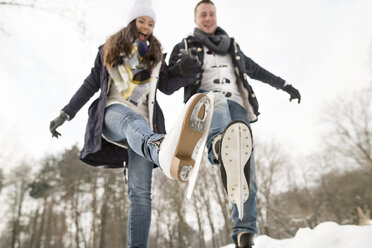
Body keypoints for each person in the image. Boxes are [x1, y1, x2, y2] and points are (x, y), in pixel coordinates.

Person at [49, 0, 213, 247]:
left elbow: (167, 86)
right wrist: (65, 113)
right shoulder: (110, 49)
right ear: (132, 22)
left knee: (141, 194)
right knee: (131, 119)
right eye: (142, 21)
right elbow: (90, 85)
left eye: (151, 23)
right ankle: (161, 148)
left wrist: (184, 69)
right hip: (114, 112)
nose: (146, 27)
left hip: (145, 126)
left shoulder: (156, 57)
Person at [159, 0, 301, 247]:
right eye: (203, 14)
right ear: (196, 19)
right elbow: (166, 86)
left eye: (211, 14)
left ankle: (245, 232)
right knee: (217, 101)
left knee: (247, 168)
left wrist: (284, 85)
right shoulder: (185, 46)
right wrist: (179, 69)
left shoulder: (232, 47)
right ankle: (217, 144)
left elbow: (256, 70)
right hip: (205, 105)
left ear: (216, 16)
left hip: (239, 107)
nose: (207, 18)